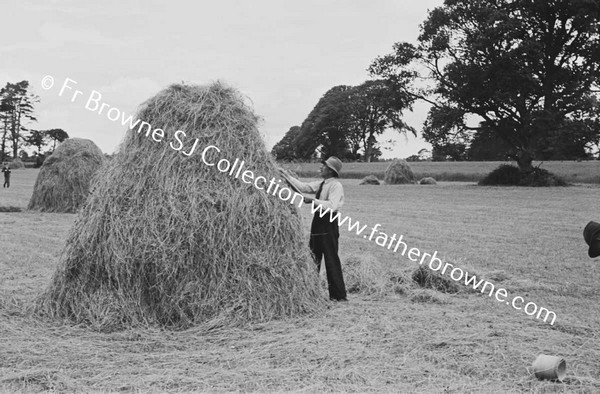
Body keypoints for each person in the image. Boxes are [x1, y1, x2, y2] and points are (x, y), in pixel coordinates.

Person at [281, 157, 348, 301]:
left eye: (323, 166)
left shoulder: (336, 186)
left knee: (331, 258)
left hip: (329, 222)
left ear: (330, 170)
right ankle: (311, 292)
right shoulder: (322, 183)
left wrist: (313, 201)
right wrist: (285, 176)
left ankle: (338, 296)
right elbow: (304, 187)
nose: (321, 168)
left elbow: (332, 205)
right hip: (318, 221)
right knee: (313, 256)